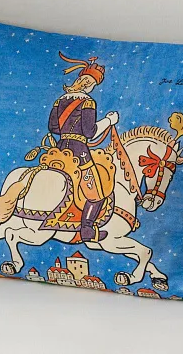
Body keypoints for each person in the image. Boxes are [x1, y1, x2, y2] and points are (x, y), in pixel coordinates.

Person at [48, 53, 119, 242]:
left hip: (59, 149)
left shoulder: (60, 100)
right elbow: (90, 132)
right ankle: (87, 229)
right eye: (93, 84)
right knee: (97, 193)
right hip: (79, 152)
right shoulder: (88, 102)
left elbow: (53, 128)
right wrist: (109, 121)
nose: (92, 87)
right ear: (88, 84)